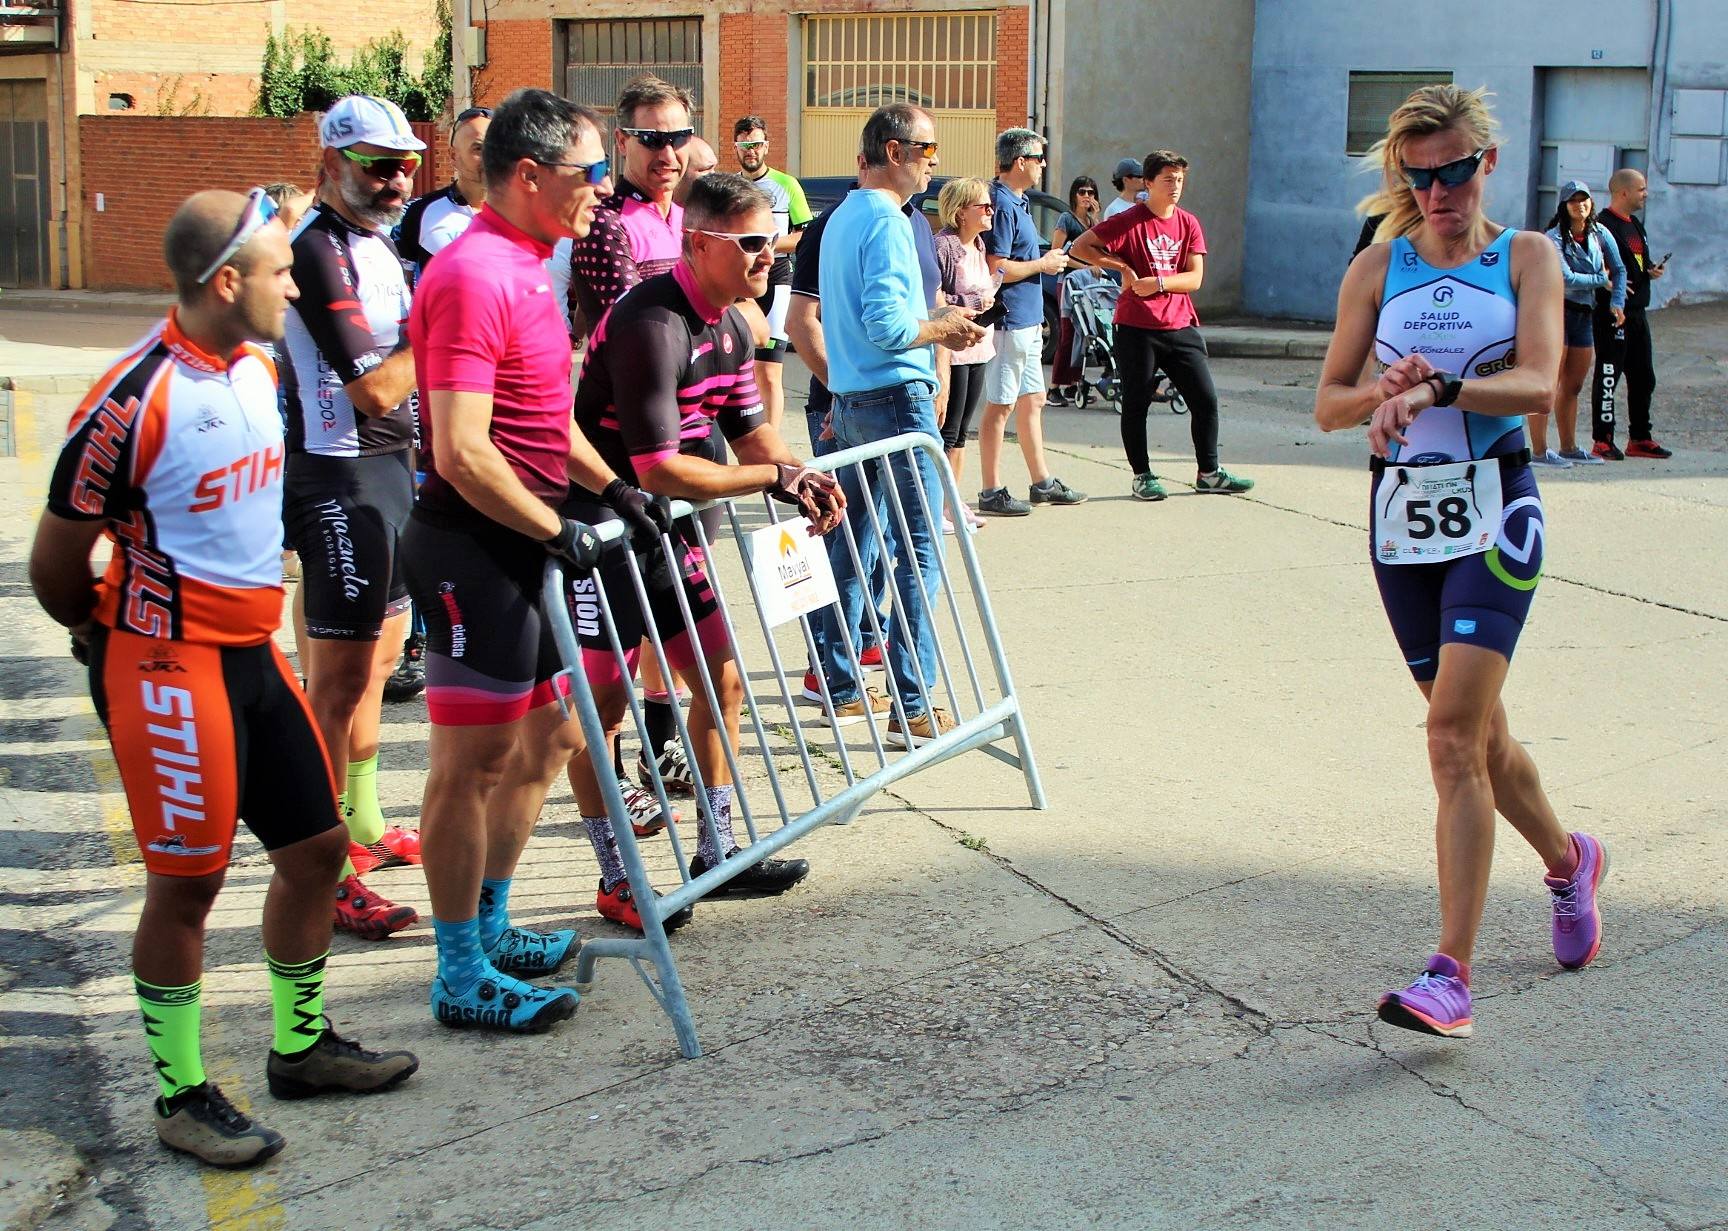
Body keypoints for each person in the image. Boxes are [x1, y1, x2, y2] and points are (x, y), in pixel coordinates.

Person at [29, 188, 418, 1167]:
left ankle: (300, 1047)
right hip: (166, 661)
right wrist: (104, 637)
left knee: (319, 847)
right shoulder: (131, 397)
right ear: (228, 280)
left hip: (252, 654)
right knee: (190, 882)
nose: (296, 285)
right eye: (282, 272)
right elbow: (52, 565)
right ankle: (182, 1092)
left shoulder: (252, 367)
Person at [1314, 84, 1606, 1039]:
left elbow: (1538, 378)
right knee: (1478, 739)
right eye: (1418, 173)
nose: (1436, 190)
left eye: (1452, 170)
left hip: (1497, 511)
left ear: (1485, 165)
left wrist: (1444, 382)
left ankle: (1452, 975)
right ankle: (1569, 861)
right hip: (1401, 519)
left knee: (1447, 739)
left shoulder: (1527, 256)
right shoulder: (1376, 266)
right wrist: (1382, 392)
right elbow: (1329, 402)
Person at [402, 88, 626, 1032]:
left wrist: (615, 489)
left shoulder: (534, 261)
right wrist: (550, 524)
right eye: (591, 174)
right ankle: (458, 972)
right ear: (530, 175)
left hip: (527, 538)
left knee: (555, 738)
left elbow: (544, 416)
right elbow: (460, 449)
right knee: (472, 761)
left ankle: (490, 924)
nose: (602, 194)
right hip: (473, 547)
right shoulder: (470, 274)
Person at [564, 172, 844, 925]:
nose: (769, 258)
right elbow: (658, 466)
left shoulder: (733, 323)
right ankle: (616, 875)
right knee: (603, 713)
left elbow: (752, 433)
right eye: (752, 243)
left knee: (720, 686)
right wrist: (770, 474)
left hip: (670, 526)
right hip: (607, 529)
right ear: (697, 244)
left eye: (774, 241)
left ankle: (716, 854)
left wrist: (798, 473)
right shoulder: (653, 325)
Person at [280, 95, 425, 939]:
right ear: (331, 163)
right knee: (335, 682)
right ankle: (324, 864)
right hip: (335, 477)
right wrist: (441, 325)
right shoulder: (315, 248)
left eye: (406, 161)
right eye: (377, 163)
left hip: (388, 470)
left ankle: (364, 822)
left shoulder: (376, 242)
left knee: (380, 663)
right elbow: (373, 385)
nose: (396, 176)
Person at [816, 103, 986, 743]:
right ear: (894, 150)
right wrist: (943, 326)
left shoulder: (842, 218)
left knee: (856, 537)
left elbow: (856, 319)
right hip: (890, 397)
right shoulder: (884, 220)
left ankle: (837, 678)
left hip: (853, 397)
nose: (934, 165)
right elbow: (888, 327)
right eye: (928, 151)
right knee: (917, 549)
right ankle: (912, 702)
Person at [566, 75, 704, 818]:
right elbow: (642, 334)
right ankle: (614, 765)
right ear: (621, 142)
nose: (668, 151)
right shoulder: (605, 222)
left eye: (680, 136)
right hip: (619, 452)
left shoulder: (684, 218)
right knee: (615, 628)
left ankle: (663, 742)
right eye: (652, 137)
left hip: (686, 441)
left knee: (674, 609)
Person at [1073, 149, 1254, 501]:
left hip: (1180, 323)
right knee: (1136, 403)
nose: (1175, 186)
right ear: (1149, 182)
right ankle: (1142, 475)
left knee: (1205, 399)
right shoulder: (1130, 220)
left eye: (1180, 180)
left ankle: (1209, 472)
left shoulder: (1188, 223)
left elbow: (1195, 277)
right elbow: (1081, 247)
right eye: (1168, 179)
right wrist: (1122, 268)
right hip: (1137, 326)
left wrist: (1157, 283)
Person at [973, 128, 1085, 517]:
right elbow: (996, 266)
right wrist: (1043, 263)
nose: (1043, 165)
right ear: (1020, 162)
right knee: (1000, 406)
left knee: (1033, 399)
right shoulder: (1002, 204)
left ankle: (1042, 481)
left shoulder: (1016, 201)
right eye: (1038, 159)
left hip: (1027, 319)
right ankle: (990, 488)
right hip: (1010, 321)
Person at [1532, 180, 1624, 467]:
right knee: (1548, 383)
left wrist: (1616, 301)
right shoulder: (1553, 238)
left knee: (1573, 384)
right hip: (1557, 312)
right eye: (1573, 200)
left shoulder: (1599, 233)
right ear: (1564, 205)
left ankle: (1569, 446)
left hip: (1585, 313)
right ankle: (1539, 450)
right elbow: (1567, 278)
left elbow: (1619, 269)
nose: (1580, 205)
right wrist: (1601, 280)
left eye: (1584, 199)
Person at [733, 116, 813, 430]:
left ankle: (772, 440)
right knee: (741, 370)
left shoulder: (786, 184)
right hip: (738, 282)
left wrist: (770, 242)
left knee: (768, 372)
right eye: (744, 145)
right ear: (736, 148)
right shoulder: (731, 185)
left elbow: (806, 236)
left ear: (766, 146)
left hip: (776, 279)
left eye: (756, 144)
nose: (750, 151)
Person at [1591, 168, 1671, 460]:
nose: (1645, 194)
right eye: (1641, 189)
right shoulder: (1601, 226)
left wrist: (1651, 269)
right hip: (1613, 314)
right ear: (1623, 193)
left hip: (1638, 314)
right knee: (1609, 376)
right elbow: (1592, 266)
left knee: (1644, 378)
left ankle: (1639, 438)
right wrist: (1608, 284)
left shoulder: (1635, 224)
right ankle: (1602, 440)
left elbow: (1638, 261)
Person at [933, 177, 997, 530]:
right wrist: (972, 303)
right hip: (952, 350)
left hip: (979, 347)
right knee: (948, 431)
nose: (990, 211)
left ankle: (953, 501)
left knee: (961, 433)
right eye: (983, 206)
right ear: (960, 213)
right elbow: (935, 298)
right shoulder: (943, 246)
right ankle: (939, 505)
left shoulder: (978, 245)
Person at [395, 105, 491, 270]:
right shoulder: (419, 211)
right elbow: (401, 285)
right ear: (454, 156)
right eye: (478, 148)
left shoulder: (522, 214)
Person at [1047, 175, 1101, 405]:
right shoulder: (1066, 220)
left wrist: (1096, 218)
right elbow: (1058, 254)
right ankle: (1054, 388)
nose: (1086, 196)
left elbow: (1101, 247)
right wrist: (1087, 266)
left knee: (1083, 335)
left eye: (1091, 192)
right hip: (1068, 283)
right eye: (1082, 192)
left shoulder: (1090, 223)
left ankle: (1074, 385)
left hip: (1087, 285)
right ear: (1074, 195)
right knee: (1068, 334)